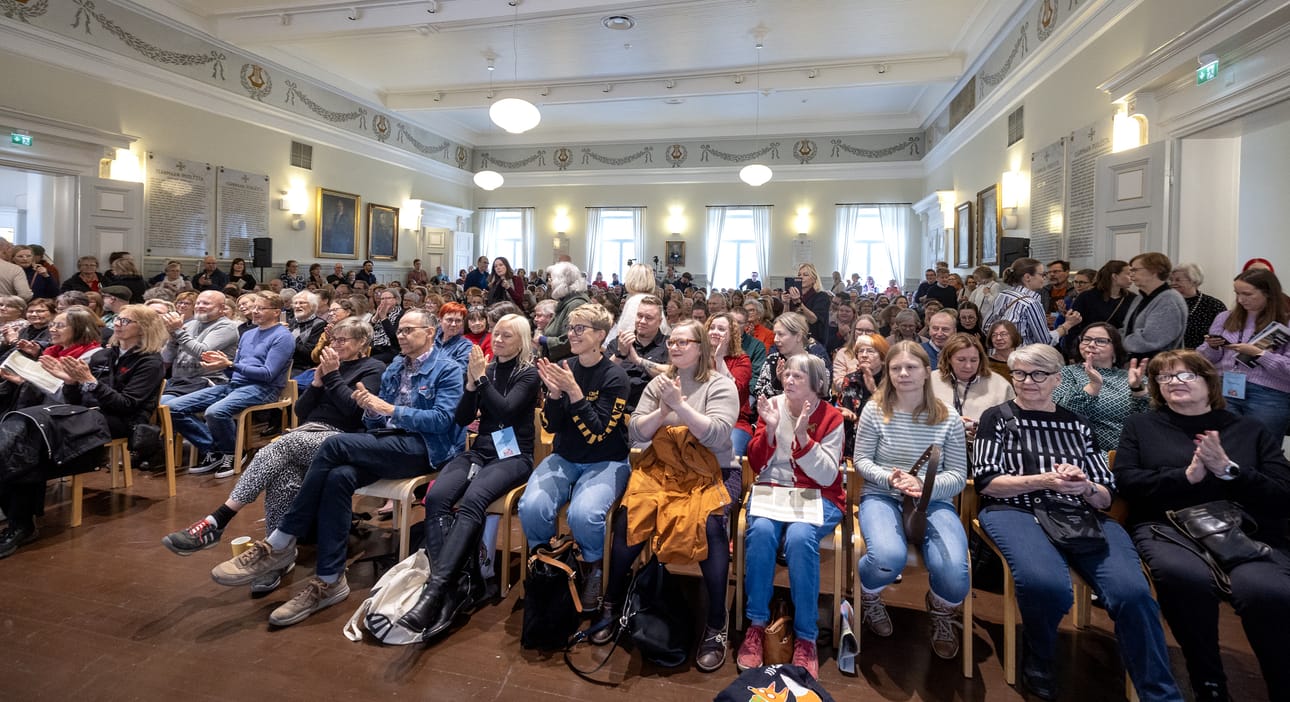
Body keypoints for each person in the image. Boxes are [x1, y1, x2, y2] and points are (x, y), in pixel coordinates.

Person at [206, 308, 464, 626]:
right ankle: (329, 581)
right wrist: (372, 410)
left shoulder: (448, 369)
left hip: (425, 448)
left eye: (409, 330)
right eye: (399, 330)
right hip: (388, 441)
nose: (401, 335)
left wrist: (390, 410)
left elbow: (443, 421)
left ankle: (282, 539)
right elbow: (372, 418)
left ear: (430, 332)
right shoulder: (397, 366)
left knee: (334, 444)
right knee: (338, 477)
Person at [973, 343, 1181, 702]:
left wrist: (1084, 485)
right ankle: (1039, 655)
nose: (1028, 381)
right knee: (1045, 584)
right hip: (1014, 509)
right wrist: (1043, 480)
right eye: (1020, 373)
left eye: (1039, 374)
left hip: (1079, 512)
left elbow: (1105, 494)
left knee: (1133, 594)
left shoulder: (1077, 424)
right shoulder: (997, 417)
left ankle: (1160, 693)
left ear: (1057, 379)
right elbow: (988, 482)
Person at [1115, 350, 1290, 702]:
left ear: (1209, 382)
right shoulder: (1141, 426)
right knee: (1185, 578)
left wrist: (1229, 471)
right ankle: (1208, 681)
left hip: (1244, 531)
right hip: (1167, 528)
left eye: (1185, 375)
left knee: (1265, 590)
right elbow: (1128, 483)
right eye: (1165, 377)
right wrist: (1186, 477)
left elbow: (1282, 494)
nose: (1174, 382)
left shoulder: (1249, 429)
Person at [160, 318, 384, 590]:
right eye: (334, 339)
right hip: (309, 433)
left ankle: (219, 519)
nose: (335, 345)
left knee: (279, 446)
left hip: (343, 438)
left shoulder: (373, 368)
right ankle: (277, 556)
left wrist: (332, 376)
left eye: (343, 340)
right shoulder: (327, 369)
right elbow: (301, 411)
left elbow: (354, 412)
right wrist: (316, 383)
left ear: (362, 342)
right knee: (284, 476)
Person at [590, 320, 739, 672]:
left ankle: (716, 622)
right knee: (630, 515)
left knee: (711, 525)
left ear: (701, 347)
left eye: (683, 342)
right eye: (672, 342)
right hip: (662, 467)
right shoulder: (659, 383)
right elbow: (636, 433)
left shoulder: (720, 385)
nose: (674, 347)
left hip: (711, 470)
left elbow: (717, 436)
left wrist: (680, 408)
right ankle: (611, 600)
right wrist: (662, 411)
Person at [397, 315, 541, 638]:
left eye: (506, 335)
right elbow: (462, 418)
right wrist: (470, 385)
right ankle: (455, 585)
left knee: (473, 499)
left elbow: (506, 410)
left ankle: (435, 591)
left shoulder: (528, 374)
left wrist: (481, 379)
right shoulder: (485, 370)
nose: (498, 339)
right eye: (496, 334)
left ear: (521, 341)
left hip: (514, 455)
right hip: (481, 450)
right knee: (436, 497)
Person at [0, 305, 166, 558]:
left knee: (32, 432)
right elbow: (74, 399)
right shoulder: (105, 356)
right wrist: (70, 382)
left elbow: (126, 405)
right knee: (25, 434)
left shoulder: (150, 362)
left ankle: (20, 523)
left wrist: (90, 382)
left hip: (118, 421)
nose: (117, 323)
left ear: (143, 328)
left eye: (126, 321)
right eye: (118, 319)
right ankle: (19, 522)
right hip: (85, 413)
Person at [854, 341, 969, 661]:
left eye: (911, 367)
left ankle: (941, 609)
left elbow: (958, 476)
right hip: (882, 494)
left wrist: (923, 484)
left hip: (934, 500)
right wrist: (890, 478)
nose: (903, 373)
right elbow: (861, 461)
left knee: (955, 575)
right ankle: (869, 597)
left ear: (926, 372)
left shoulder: (948, 417)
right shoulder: (874, 410)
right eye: (896, 368)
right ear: (888, 373)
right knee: (886, 558)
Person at [518, 303, 630, 609]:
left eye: (580, 328)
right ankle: (546, 562)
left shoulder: (615, 377)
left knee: (583, 515)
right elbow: (551, 426)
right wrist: (554, 395)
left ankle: (593, 567)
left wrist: (574, 392)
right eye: (570, 328)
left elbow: (597, 434)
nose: (572, 334)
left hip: (606, 459)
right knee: (531, 506)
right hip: (565, 456)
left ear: (601, 335)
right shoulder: (564, 366)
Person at [163, 291, 294, 478]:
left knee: (215, 412)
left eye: (261, 308)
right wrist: (223, 366)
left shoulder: (283, 336)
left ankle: (232, 453)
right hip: (235, 385)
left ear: (276, 312)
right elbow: (234, 371)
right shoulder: (248, 334)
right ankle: (213, 449)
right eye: (254, 307)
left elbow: (268, 374)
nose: (255, 311)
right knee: (172, 408)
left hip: (264, 388)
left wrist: (231, 365)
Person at [1198, 268, 1290, 438]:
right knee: (1225, 443)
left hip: (1269, 395)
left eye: (1247, 294)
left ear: (1268, 293)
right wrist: (1212, 347)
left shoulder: (1286, 323)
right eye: (1237, 293)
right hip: (1225, 387)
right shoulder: (1225, 317)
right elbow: (1205, 359)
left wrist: (1260, 354)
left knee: (1261, 446)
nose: (1240, 300)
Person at [1053, 322, 1148, 453]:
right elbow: (1062, 414)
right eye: (1086, 339)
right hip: (1084, 451)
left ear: (1115, 347)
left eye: (1101, 341)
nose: (1091, 344)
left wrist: (1137, 389)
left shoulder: (1132, 376)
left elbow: (1150, 418)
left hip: (1133, 450)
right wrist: (1093, 386)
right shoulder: (1067, 373)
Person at [931, 333, 1014, 447]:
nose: (968, 366)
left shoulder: (1001, 385)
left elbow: (1012, 426)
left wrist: (986, 431)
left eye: (974, 360)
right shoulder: (930, 381)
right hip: (939, 448)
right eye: (961, 360)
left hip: (983, 449)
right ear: (949, 359)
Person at [160, 290, 240, 397]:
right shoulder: (189, 325)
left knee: (165, 404)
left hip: (208, 382)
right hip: (178, 381)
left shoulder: (227, 327)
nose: (200, 306)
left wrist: (178, 331)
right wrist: (172, 338)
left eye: (206, 303)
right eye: (198, 303)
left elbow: (203, 353)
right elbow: (166, 359)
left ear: (221, 308)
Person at [990, 258, 1082, 347]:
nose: (1044, 279)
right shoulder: (1031, 303)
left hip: (999, 353)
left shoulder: (1003, 295)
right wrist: (1068, 324)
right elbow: (1046, 341)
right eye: (1042, 275)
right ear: (1027, 277)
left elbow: (987, 327)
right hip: (1021, 354)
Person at [752, 311, 830, 403]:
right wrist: (777, 382)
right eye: (775, 334)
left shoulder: (816, 363)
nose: (775, 339)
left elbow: (826, 398)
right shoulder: (772, 360)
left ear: (798, 336)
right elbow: (759, 398)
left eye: (781, 334)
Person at [1122, 252, 1187, 361]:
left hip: (1159, 365)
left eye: (1135, 270)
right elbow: (1127, 328)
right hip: (1139, 362)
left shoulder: (1169, 300)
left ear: (1154, 271)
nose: (1131, 274)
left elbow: (1151, 339)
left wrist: (1119, 343)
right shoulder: (1141, 297)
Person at [1068, 259, 1135, 357]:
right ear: (1115, 276)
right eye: (1128, 274)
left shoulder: (1132, 298)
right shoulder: (1087, 297)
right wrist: (1072, 352)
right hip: (1091, 349)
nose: (1132, 277)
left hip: (1120, 350)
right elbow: (1073, 326)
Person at [535, 261, 590, 362]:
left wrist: (543, 340)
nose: (549, 284)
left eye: (551, 279)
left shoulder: (576, 304)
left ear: (561, 281)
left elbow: (570, 340)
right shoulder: (566, 301)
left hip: (566, 363)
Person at [1168, 263, 1227, 351]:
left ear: (1193, 281)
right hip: (1169, 354)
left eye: (1178, 280)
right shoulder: (1166, 303)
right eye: (1171, 280)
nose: (1172, 283)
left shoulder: (1214, 305)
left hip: (1203, 355)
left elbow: (1223, 336)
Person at [786, 263, 831, 350]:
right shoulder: (794, 296)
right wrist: (786, 303)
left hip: (814, 341)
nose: (801, 277)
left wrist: (798, 302)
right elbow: (786, 319)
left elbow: (813, 319)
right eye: (799, 275)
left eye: (805, 275)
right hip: (794, 340)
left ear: (814, 279)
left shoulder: (821, 296)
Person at [288, 291, 327, 370]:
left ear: (312, 306)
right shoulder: (292, 321)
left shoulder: (320, 324)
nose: (297, 306)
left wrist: (286, 338)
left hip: (302, 368)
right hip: (284, 363)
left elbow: (309, 354)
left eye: (302, 303)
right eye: (295, 303)